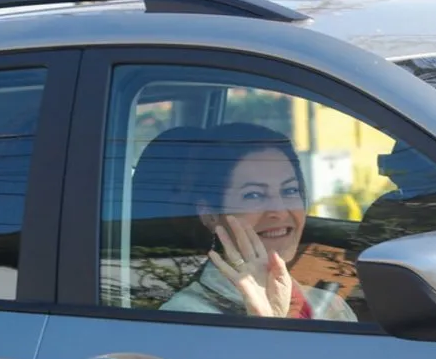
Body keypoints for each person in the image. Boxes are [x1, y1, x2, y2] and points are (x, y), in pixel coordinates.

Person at [151, 122, 357, 322]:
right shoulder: (185, 317)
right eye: (254, 195)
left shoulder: (331, 307)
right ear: (210, 214)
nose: (279, 211)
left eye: (290, 191)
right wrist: (268, 323)